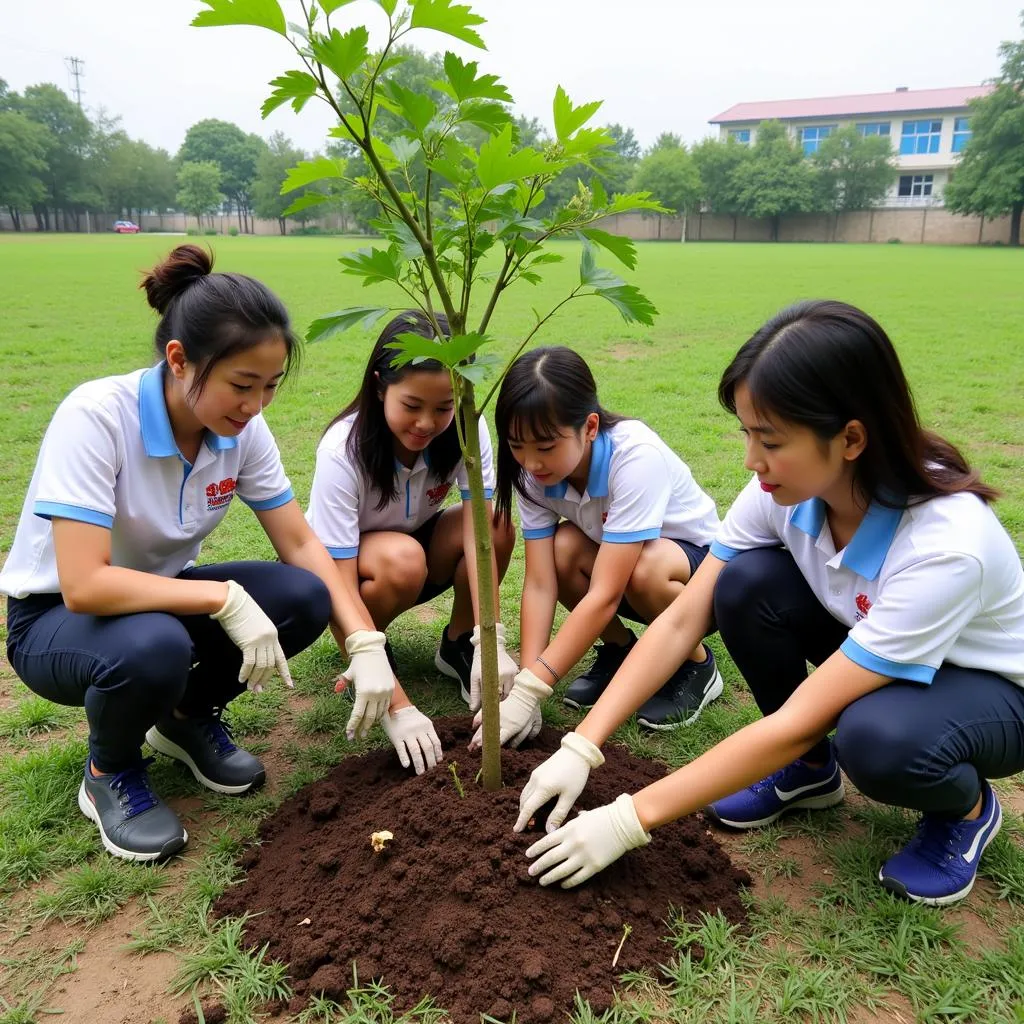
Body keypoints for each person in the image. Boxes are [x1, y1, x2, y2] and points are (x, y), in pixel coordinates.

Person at [516, 300, 1024, 907]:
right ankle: (812, 773)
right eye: (748, 434)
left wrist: (630, 818)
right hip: (878, 642)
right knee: (744, 584)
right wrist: (583, 744)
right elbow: (683, 617)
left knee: (877, 737)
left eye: (771, 439)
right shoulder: (782, 491)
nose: (751, 460)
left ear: (852, 438)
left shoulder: (945, 546)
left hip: (989, 689)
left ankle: (965, 810)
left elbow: (798, 717)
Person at [0, 244, 355, 864]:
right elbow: (84, 583)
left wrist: (365, 643)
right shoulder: (97, 417)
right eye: (241, 385)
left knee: (303, 599)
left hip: (158, 595)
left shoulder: (242, 430)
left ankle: (186, 718)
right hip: (56, 619)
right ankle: (110, 772)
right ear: (180, 360)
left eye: (270, 387)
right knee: (158, 644)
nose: (255, 407)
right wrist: (220, 597)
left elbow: (299, 541)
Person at [471, 346, 721, 749]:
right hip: (621, 565)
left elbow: (605, 594)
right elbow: (539, 582)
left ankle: (696, 664)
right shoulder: (531, 475)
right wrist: (528, 677)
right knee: (561, 550)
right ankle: (620, 650)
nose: (531, 462)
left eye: (546, 446)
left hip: (698, 579)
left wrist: (533, 689)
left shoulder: (636, 457)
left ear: (589, 427)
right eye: (517, 445)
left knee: (645, 567)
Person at [306, 310, 518, 763]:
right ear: (381, 385)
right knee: (402, 559)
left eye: (443, 408)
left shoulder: (465, 428)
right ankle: (369, 654)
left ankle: (459, 644)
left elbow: (479, 533)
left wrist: (490, 639)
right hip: (354, 574)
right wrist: (396, 703)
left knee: (495, 524)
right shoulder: (343, 451)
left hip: (419, 549)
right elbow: (335, 575)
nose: (426, 423)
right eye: (411, 405)